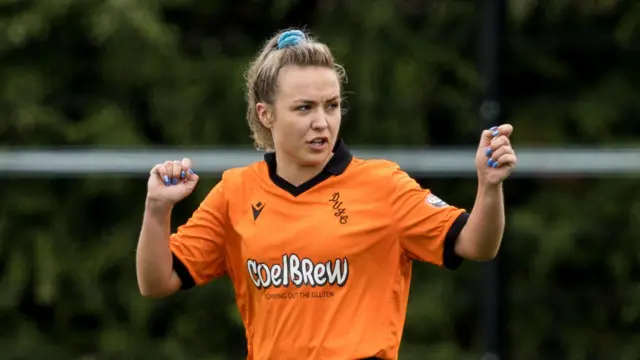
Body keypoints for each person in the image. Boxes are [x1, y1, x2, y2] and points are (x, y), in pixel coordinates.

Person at [136, 29, 517, 360]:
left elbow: (476, 245)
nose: (322, 122)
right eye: (304, 108)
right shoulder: (235, 191)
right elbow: (156, 282)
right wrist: (156, 209)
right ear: (265, 114)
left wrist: (489, 186)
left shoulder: (383, 185)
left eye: (331, 106)